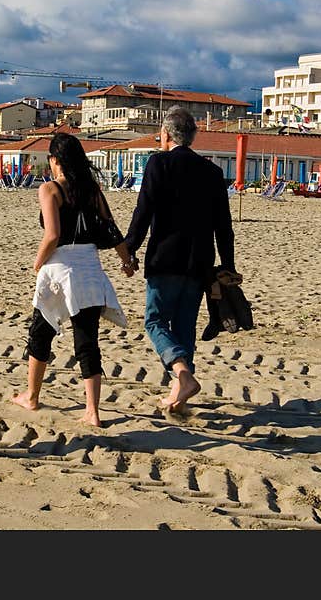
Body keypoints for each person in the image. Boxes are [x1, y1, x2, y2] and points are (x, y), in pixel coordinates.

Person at [12, 132, 135, 427]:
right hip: (90, 269)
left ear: (55, 160)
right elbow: (112, 228)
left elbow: (52, 235)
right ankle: (92, 412)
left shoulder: (50, 189)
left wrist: (37, 261)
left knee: (41, 332)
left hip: (60, 268)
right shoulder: (92, 190)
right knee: (87, 340)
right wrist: (126, 260)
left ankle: (31, 396)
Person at [123, 106, 236, 414]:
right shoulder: (212, 172)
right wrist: (228, 266)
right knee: (184, 326)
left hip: (165, 259)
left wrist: (129, 248)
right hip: (199, 263)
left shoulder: (158, 163)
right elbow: (224, 226)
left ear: (166, 135)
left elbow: (143, 211)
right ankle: (179, 396)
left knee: (155, 320)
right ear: (193, 136)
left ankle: (183, 375)